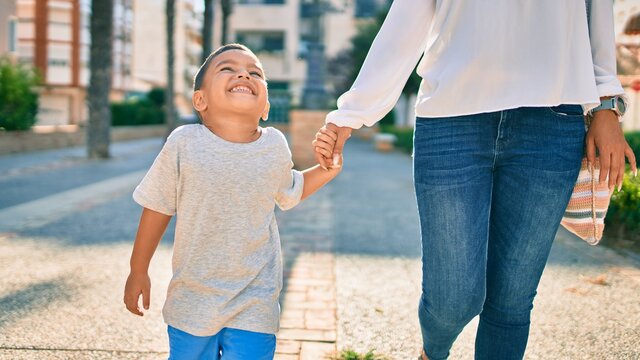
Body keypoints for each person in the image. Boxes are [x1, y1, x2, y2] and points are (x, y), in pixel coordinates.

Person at [313, 1, 638, 359]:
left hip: (552, 122)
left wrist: (607, 104)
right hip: (452, 119)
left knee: (512, 299)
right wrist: (352, 113)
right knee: (452, 300)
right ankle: (431, 353)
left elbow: (596, 12)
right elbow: (406, 19)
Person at [123, 43, 341, 360]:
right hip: (192, 300)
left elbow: (290, 190)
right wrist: (137, 269)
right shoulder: (184, 143)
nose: (243, 73)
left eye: (255, 73)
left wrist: (327, 170)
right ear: (200, 100)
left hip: (256, 299)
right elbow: (157, 207)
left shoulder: (274, 145)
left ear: (265, 106)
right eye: (228, 68)